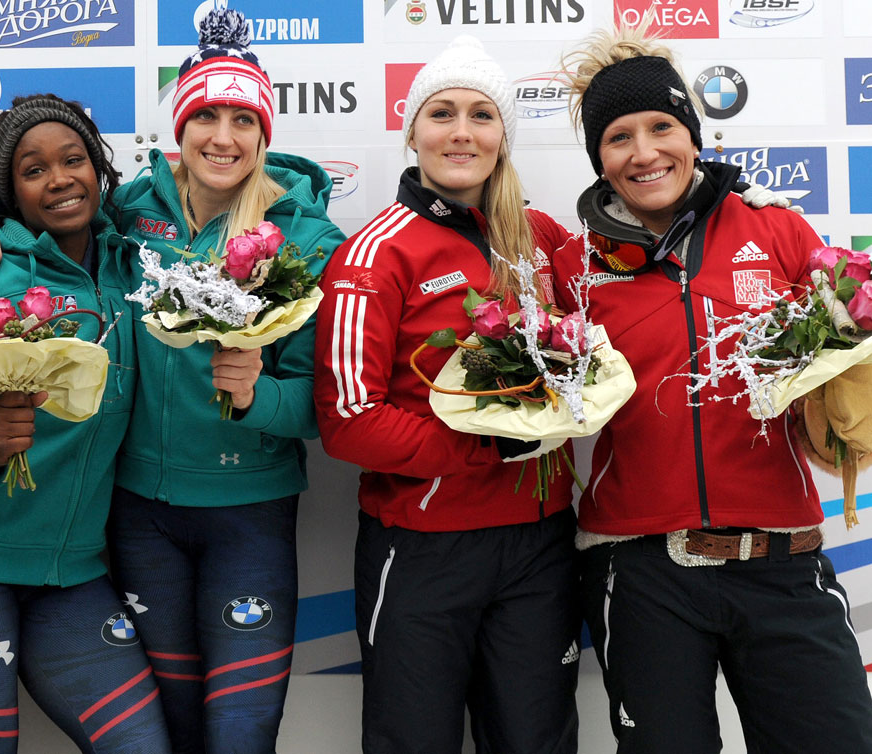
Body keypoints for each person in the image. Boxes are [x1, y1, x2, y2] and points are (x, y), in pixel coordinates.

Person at [0, 11, 346, 751]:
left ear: (265, 132)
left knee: (242, 731)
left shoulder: (309, 237)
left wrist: (254, 395)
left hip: (249, 510)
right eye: (205, 116)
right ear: (179, 128)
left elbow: (317, 406)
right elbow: (45, 214)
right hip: (137, 514)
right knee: (176, 727)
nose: (223, 136)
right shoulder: (128, 214)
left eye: (243, 118)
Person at [557, 23, 872, 753]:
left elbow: (841, 376)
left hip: (783, 560)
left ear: (693, 134)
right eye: (618, 137)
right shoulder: (573, 264)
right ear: (599, 158)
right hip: (640, 570)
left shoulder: (780, 231)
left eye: (662, 126)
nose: (644, 153)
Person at [313, 36, 580, 754]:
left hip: (541, 541)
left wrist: (728, 208)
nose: (461, 131)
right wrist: (483, 444)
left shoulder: (545, 239)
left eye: (481, 115)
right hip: (426, 549)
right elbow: (348, 421)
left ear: (503, 136)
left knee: (538, 740)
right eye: (442, 112)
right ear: (412, 132)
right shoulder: (375, 254)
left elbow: (637, 283)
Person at [0, 94, 170, 754]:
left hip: (73, 578)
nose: (60, 178)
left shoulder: (135, 265)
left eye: (73, 159)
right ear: (6, 191)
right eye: (33, 169)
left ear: (100, 168)